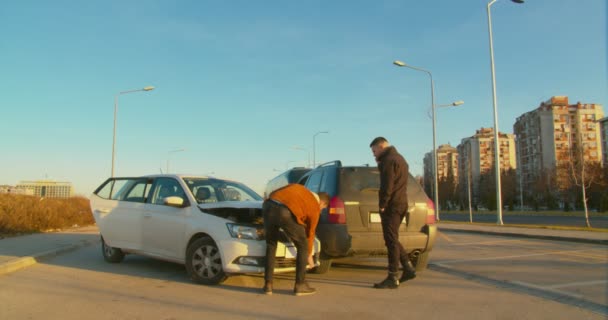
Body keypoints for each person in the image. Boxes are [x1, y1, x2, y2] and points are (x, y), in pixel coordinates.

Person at [262, 184, 329, 296]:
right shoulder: (314, 206)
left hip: (268, 206)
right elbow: (310, 233)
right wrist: (308, 255)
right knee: (302, 245)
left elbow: (275, 192)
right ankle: (300, 285)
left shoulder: (298, 188)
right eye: (323, 208)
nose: (321, 210)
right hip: (284, 212)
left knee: (271, 244)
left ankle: (268, 285)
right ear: (322, 203)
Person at [369, 137, 417, 289]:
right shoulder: (400, 158)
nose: (374, 154)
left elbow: (387, 185)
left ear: (382, 146)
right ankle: (408, 268)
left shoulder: (388, 160)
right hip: (401, 202)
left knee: (391, 241)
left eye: (374, 150)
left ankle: (392, 277)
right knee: (392, 239)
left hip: (392, 205)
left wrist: (383, 204)